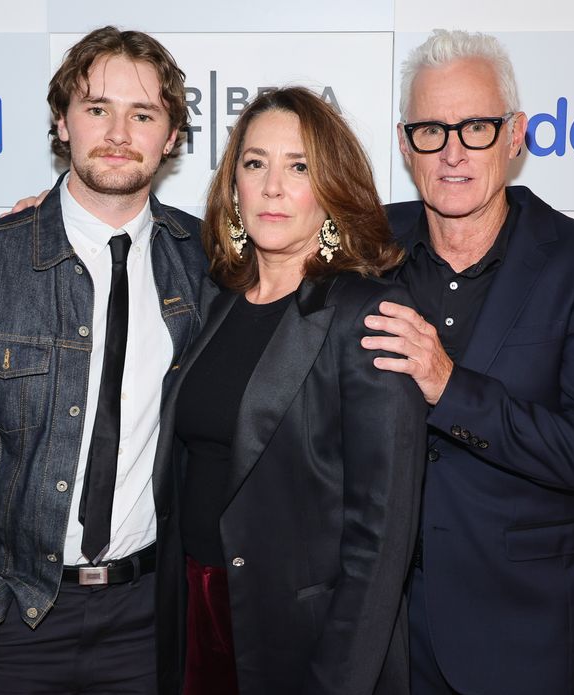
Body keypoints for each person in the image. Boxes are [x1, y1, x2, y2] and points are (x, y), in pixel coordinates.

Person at [0, 26, 208, 694]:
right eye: (97, 108)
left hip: (149, 621)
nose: (119, 132)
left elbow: (326, 245)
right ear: (61, 121)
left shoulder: (206, 264)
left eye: (144, 114)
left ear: (171, 137)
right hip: (17, 619)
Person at [361, 30, 574, 694]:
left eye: (477, 127)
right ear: (406, 144)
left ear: (515, 135)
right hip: (382, 637)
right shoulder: (365, 244)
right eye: (431, 130)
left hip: (520, 638)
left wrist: (450, 386)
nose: (453, 151)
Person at [152, 87, 426, 695]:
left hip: (303, 639)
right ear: (234, 187)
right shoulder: (216, 299)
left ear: (331, 188)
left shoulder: (369, 313)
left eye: (298, 166)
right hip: (198, 616)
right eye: (255, 164)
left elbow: (381, 541)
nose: (273, 186)